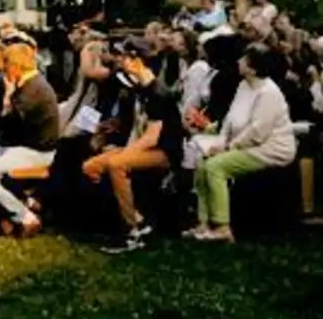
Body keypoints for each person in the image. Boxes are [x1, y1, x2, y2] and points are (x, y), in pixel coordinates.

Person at [187, 43, 297, 243]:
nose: (238, 62)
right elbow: (230, 120)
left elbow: (257, 132)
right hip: (243, 144)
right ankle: (204, 223)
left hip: (269, 148)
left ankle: (223, 227)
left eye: (243, 60)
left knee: (215, 167)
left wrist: (228, 147)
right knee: (203, 162)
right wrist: (219, 142)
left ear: (253, 68)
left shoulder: (269, 93)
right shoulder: (244, 86)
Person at [84, 37, 183, 254]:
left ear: (138, 60)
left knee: (116, 164)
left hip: (164, 151)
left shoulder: (157, 93)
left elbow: (152, 137)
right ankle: (138, 219)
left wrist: (124, 153)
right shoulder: (139, 89)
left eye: (126, 56)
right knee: (91, 167)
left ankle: (130, 229)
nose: (121, 60)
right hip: (144, 146)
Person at [0, 43, 60, 238]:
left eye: (6, 65)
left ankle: (25, 216)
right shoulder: (30, 84)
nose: (4, 70)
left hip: (36, 152)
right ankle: (7, 207)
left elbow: (10, 124)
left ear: (15, 66)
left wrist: (7, 98)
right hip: (25, 146)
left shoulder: (32, 90)